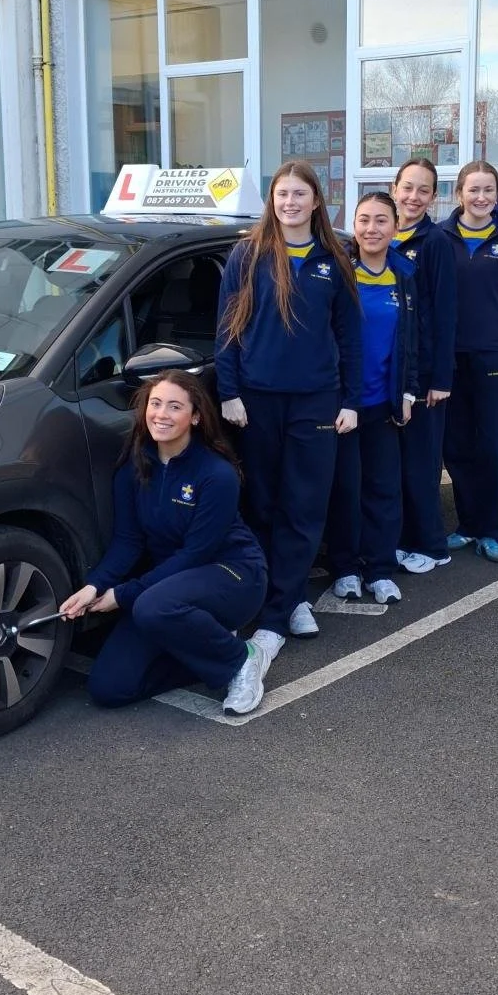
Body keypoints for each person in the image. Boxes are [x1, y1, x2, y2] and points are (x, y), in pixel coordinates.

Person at [60, 371, 269, 716]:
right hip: (167, 589)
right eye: (155, 404)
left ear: (196, 416)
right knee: (110, 687)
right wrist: (95, 585)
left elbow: (195, 554)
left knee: (150, 606)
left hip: (232, 575)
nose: (162, 414)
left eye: (175, 407)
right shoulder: (134, 469)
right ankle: (210, 645)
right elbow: (128, 541)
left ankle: (241, 659)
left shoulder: (216, 475)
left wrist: (123, 594)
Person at [216, 160, 361, 655]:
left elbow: (348, 335)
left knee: (303, 507)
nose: (291, 203)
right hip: (256, 400)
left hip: (316, 400)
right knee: (261, 504)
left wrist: (351, 400)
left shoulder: (334, 258)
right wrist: (229, 392)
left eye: (300, 194)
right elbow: (228, 329)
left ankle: (284, 606)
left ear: (316, 201)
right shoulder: (247, 255)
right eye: (282, 194)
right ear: (272, 201)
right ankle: (274, 596)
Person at [325, 193, 418, 603]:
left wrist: (409, 390)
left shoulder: (405, 274)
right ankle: (344, 568)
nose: (371, 229)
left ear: (395, 227)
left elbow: (415, 338)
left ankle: (379, 568)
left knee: (383, 488)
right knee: (345, 488)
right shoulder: (338, 273)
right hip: (344, 404)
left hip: (385, 402)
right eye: (363, 220)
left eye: (381, 221)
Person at [439, 161, 498, 563]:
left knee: (492, 445)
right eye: (473, 190)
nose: (481, 198)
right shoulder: (440, 237)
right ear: (459, 193)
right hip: (451, 356)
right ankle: (466, 523)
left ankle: (490, 528)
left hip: (495, 355)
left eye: (489, 190)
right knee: (456, 445)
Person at [390, 158, 456, 574]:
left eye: (423, 190)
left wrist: (440, 379)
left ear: (433, 197)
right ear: (395, 187)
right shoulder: (375, 234)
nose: (413, 197)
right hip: (389, 373)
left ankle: (431, 544)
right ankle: (399, 539)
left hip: (424, 375)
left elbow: (445, 314)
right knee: (393, 464)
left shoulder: (435, 243)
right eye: (407, 187)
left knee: (421, 462)